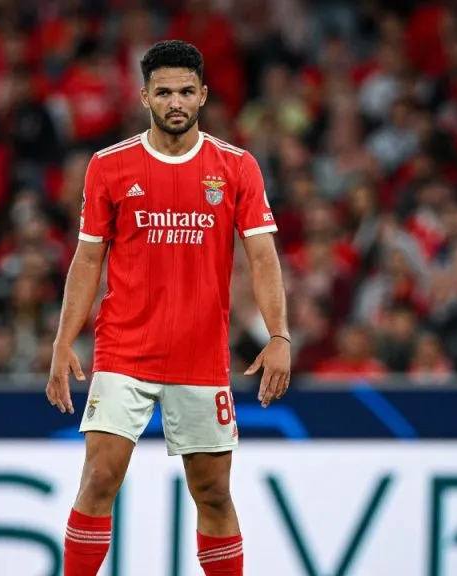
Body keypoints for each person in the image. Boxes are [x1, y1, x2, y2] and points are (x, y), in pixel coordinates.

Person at [46, 40, 291, 576]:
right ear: (144, 97)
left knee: (213, 494)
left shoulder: (236, 167)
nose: (175, 101)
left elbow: (263, 258)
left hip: (200, 354)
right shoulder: (109, 166)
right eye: (163, 92)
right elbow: (87, 261)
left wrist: (279, 336)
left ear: (203, 95)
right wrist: (64, 341)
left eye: (185, 91)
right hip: (123, 351)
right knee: (99, 478)